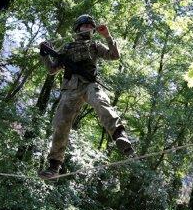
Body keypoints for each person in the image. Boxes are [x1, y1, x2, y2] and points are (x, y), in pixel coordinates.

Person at [37, 14, 135, 179]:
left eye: (91, 26)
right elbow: (52, 70)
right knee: (61, 123)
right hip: (70, 89)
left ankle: (120, 136)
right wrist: (44, 54)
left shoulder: (95, 45)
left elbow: (114, 56)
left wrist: (108, 36)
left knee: (102, 102)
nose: (89, 28)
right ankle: (54, 165)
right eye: (86, 25)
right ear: (78, 28)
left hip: (89, 85)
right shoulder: (67, 47)